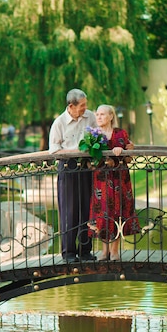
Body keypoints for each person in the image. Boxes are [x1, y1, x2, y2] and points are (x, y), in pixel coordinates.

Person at [49, 89, 98, 263]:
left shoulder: (90, 117)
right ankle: (68, 253)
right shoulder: (59, 123)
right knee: (69, 211)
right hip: (68, 167)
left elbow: (96, 137)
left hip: (86, 166)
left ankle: (85, 251)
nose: (85, 108)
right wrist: (74, 151)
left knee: (87, 208)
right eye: (82, 105)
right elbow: (54, 150)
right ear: (71, 106)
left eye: (86, 104)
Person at [88, 104, 140, 261]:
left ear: (111, 116)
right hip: (101, 180)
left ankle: (115, 250)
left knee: (118, 212)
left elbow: (130, 158)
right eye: (97, 114)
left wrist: (123, 151)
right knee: (103, 213)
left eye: (102, 114)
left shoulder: (120, 134)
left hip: (119, 179)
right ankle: (104, 251)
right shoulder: (93, 135)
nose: (98, 117)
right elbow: (89, 160)